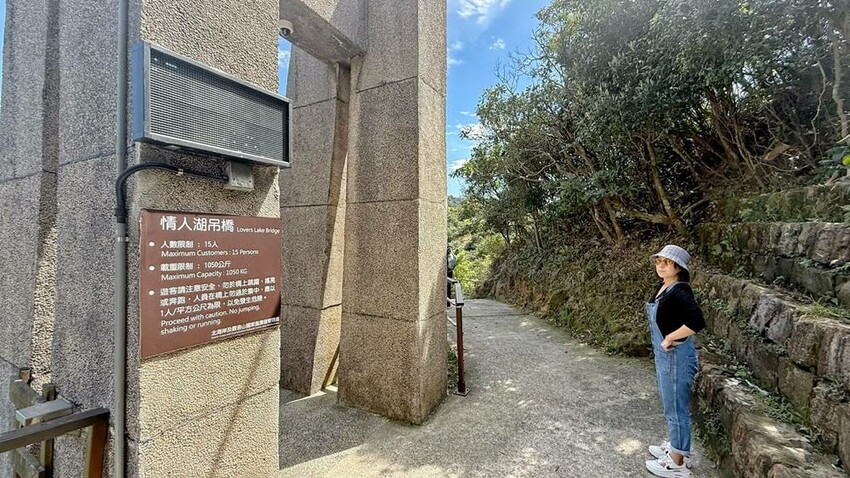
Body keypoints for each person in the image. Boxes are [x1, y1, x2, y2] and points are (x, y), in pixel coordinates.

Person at [645, 244, 705, 478]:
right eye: (658, 261)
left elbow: (696, 322)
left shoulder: (680, 290)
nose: (660, 266)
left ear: (678, 267)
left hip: (676, 357)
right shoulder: (663, 287)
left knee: (677, 409)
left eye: (666, 263)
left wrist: (670, 337)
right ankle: (675, 446)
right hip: (665, 357)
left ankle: (677, 462)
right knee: (671, 405)